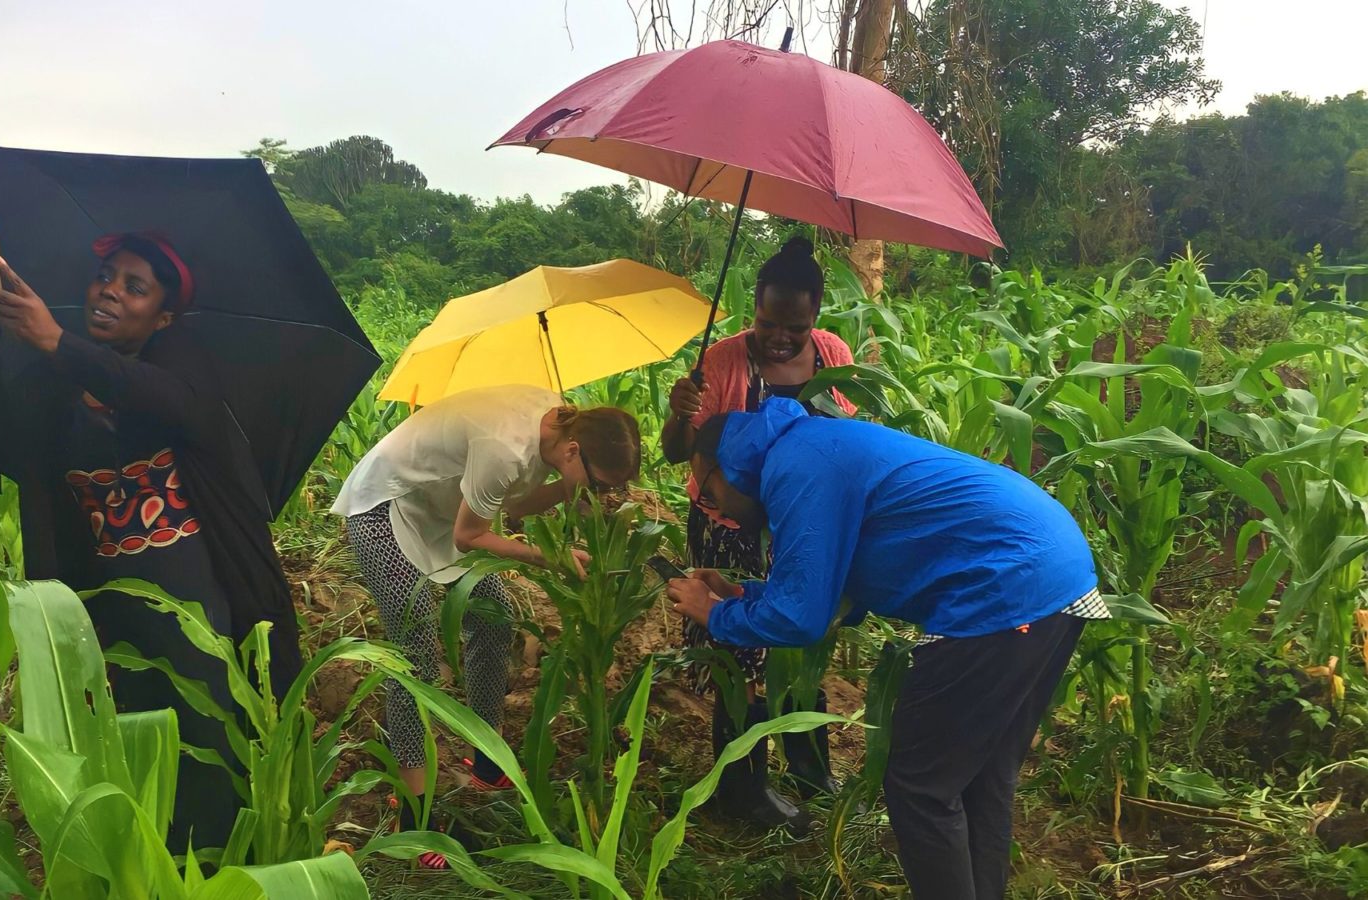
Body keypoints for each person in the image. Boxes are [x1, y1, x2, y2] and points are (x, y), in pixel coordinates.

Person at [0, 231, 299, 849]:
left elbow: (167, 402)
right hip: (107, 614)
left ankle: (214, 874)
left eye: (135, 286)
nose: (110, 290)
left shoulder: (182, 369)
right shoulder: (53, 388)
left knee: (210, 748)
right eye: (106, 275)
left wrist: (57, 341)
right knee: (129, 750)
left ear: (162, 317)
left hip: (200, 612)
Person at [666, 398, 1109, 900]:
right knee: (980, 778)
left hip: (1003, 591)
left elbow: (800, 618)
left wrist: (714, 614)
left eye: (708, 493)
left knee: (920, 788)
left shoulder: (796, 467)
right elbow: (825, 594)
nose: (714, 509)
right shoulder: (810, 448)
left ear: (729, 465)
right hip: (1053, 580)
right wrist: (742, 595)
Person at [332, 385, 640, 868]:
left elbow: (514, 507)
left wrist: (569, 491)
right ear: (575, 451)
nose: (601, 493)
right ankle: (412, 816)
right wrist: (550, 557)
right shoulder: (504, 445)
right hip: (385, 507)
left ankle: (488, 758)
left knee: (494, 617)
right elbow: (470, 534)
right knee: (415, 652)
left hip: (440, 508)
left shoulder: (556, 430)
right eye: (599, 483)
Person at [660, 236, 857, 827]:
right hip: (729, 530)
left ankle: (808, 767)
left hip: (801, 527)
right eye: (769, 322)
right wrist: (679, 411)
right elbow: (675, 454)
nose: (779, 337)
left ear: (815, 317)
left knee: (803, 639)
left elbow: (846, 435)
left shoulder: (833, 354)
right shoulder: (721, 361)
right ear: (755, 309)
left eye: (794, 327)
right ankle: (743, 790)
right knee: (741, 657)